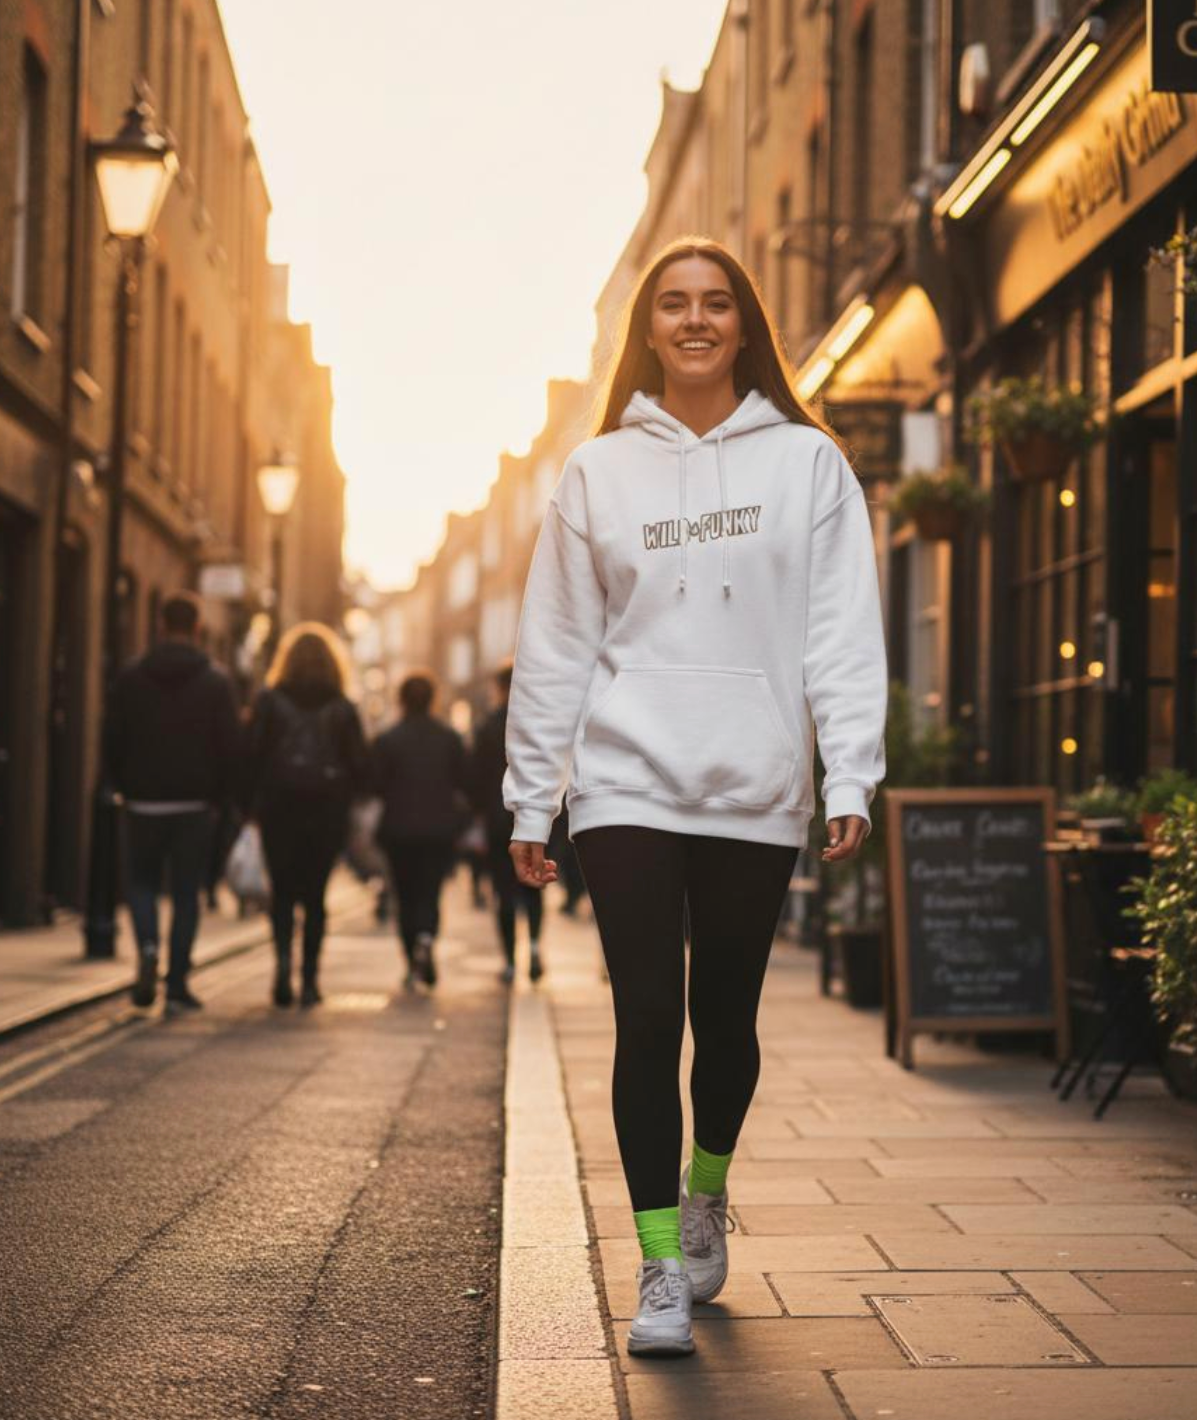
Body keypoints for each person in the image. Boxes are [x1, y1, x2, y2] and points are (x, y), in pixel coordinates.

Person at [501, 237, 887, 1356]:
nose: (696, 320)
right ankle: (661, 1259)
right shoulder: (597, 471)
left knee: (726, 1022)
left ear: (744, 322)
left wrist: (848, 765)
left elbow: (841, 629)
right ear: (649, 327)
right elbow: (557, 643)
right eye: (673, 304)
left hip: (751, 782)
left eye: (716, 302)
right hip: (623, 783)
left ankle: (706, 1178)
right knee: (643, 1020)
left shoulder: (809, 464)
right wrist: (537, 798)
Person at [104, 591, 240, 1013]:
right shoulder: (216, 683)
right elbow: (229, 747)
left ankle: (147, 948)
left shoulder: (130, 678)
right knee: (186, 894)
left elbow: (113, 737)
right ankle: (177, 982)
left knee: (141, 885)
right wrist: (220, 798)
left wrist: (118, 784)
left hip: (143, 801)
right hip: (195, 806)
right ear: (197, 629)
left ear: (160, 625)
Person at [243, 623, 368, 1008]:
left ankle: (282, 965)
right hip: (327, 809)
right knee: (315, 897)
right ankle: (310, 979)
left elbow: (251, 755)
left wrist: (248, 809)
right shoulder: (343, 707)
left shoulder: (269, 700)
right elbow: (361, 765)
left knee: (282, 893)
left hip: (279, 807)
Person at [370, 670, 474, 989]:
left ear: (401, 699)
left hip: (399, 830)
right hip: (438, 830)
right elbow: (466, 784)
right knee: (430, 891)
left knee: (405, 894)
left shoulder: (388, 740)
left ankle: (410, 956)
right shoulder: (450, 739)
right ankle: (427, 938)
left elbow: (374, 784)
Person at [469, 662, 545, 984]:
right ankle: (536, 946)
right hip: (537, 818)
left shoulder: (488, 727)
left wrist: (478, 812)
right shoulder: (538, 723)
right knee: (535, 887)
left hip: (499, 819)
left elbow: (474, 777)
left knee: (503, 891)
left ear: (500, 689)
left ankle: (511, 961)